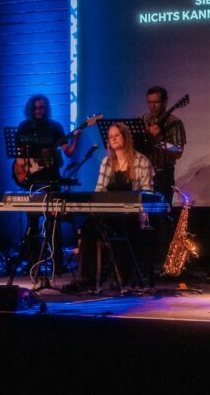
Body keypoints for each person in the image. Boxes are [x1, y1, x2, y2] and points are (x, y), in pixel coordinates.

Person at [74, 122, 154, 291]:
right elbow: (99, 191)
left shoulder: (141, 161)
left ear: (126, 137)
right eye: (110, 137)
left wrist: (142, 214)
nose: (113, 139)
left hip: (130, 215)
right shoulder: (106, 162)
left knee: (121, 229)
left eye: (117, 135)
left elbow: (147, 194)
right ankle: (87, 279)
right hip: (109, 214)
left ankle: (122, 277)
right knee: (88, 227)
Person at [13, 94, 79, 274]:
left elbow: (68, 152)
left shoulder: (55, 127)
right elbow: (18, 155)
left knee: (53, 222)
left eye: (41, 108)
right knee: (32, 222)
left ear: (46, 108)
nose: (38, 111)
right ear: (30, 109)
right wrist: (21, 168)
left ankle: (57, 263)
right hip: (32, 180)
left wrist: (76, 138)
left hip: (51, 178)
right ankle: (33, 263)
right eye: (35, 108)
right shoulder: (24, 127)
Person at [140, 85, 186, 277]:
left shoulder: (174, 122)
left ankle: (163, 264)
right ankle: (144, 262)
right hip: (143, 175)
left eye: (156, 102)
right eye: (149, 102)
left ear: (165, 102)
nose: (152, 106)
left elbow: (178, 151)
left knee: (161, 219)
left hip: (163, 174)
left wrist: (159, 139)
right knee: (143, 219)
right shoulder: (144, 120)